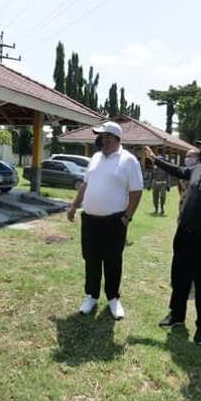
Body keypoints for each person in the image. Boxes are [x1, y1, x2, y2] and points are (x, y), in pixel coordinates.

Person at [144, 133, 201, 345]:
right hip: (184, 236)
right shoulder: (197, 170)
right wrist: (155, 159)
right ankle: (176, 315)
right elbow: (178, 171)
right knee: (179, 279)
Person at [67, 121, 143, 320]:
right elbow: (85, 184)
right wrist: (74, 206)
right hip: (90, 220)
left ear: (115, 138)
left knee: (112, 260)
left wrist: (127, 217)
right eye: (101, 137)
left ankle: (113, 298)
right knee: (91, 258)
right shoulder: (95, 158)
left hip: (114, 221)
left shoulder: (128, 160)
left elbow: (136, 191)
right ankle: (91, 295)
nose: (102, 140)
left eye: (105, 136)